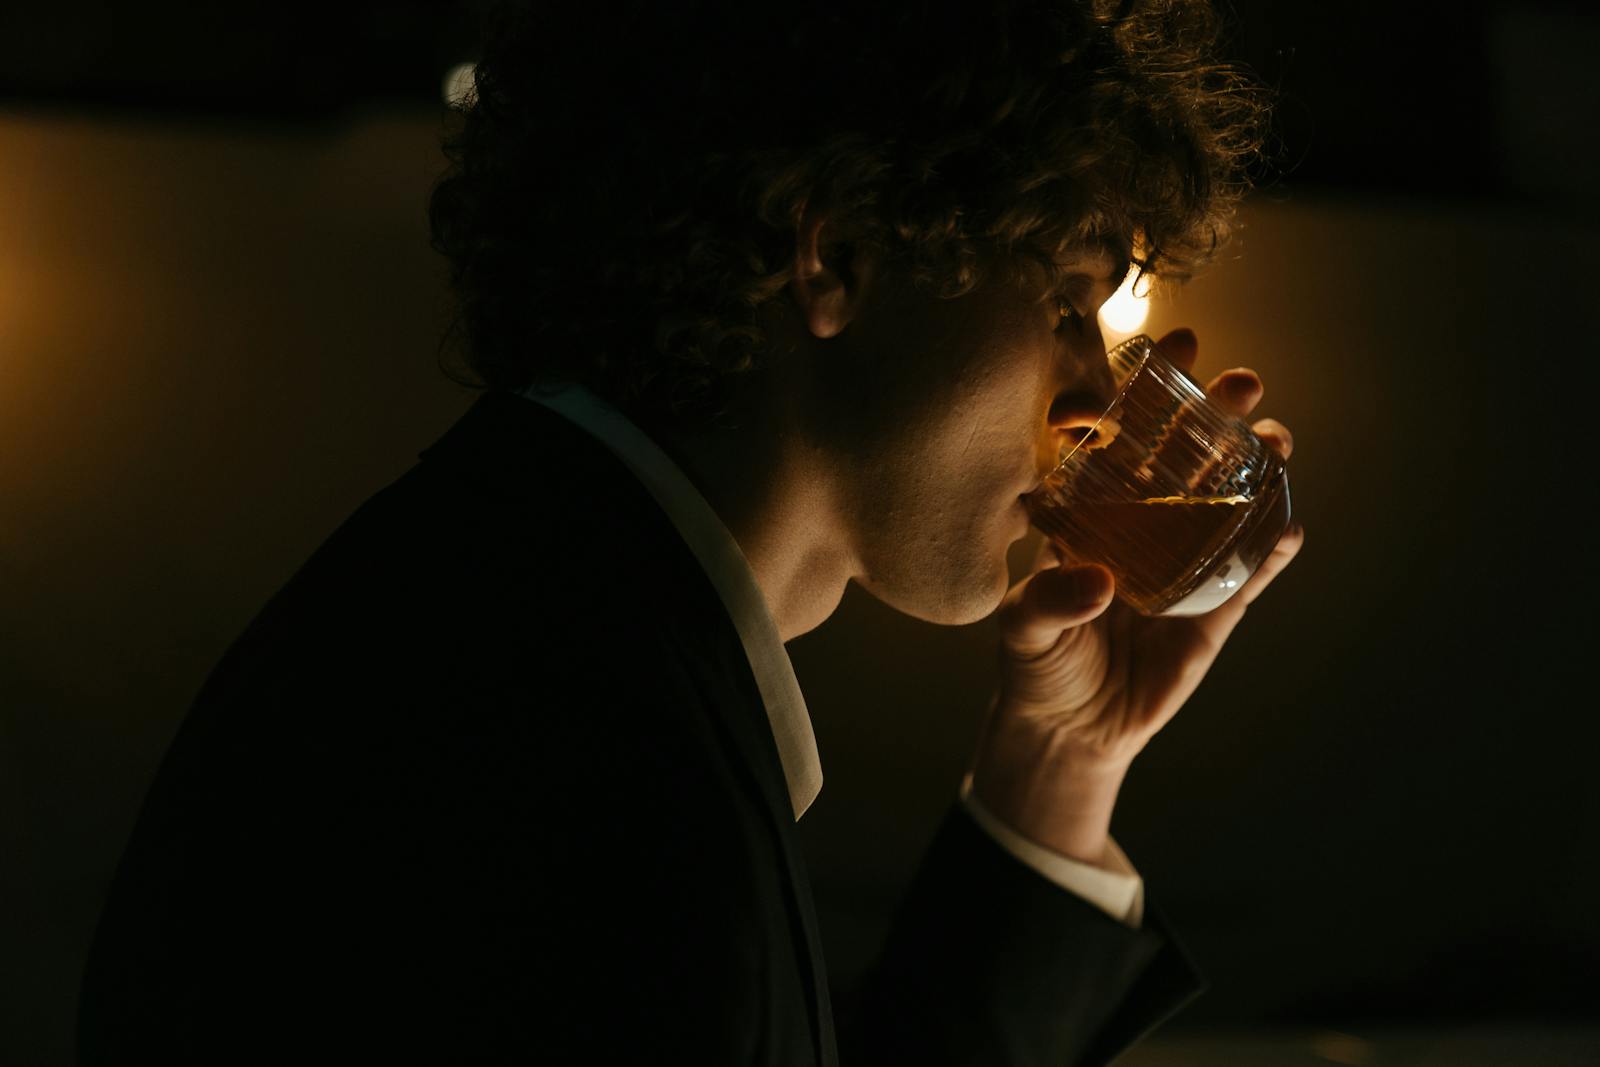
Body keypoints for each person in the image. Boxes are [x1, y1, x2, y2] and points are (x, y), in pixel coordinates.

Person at [77, 0, 1303, 1063]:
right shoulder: (548, 733)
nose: (1098, 400)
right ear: (836, 257)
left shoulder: (541, 613)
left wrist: (1059, 765)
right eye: (1066, 301)